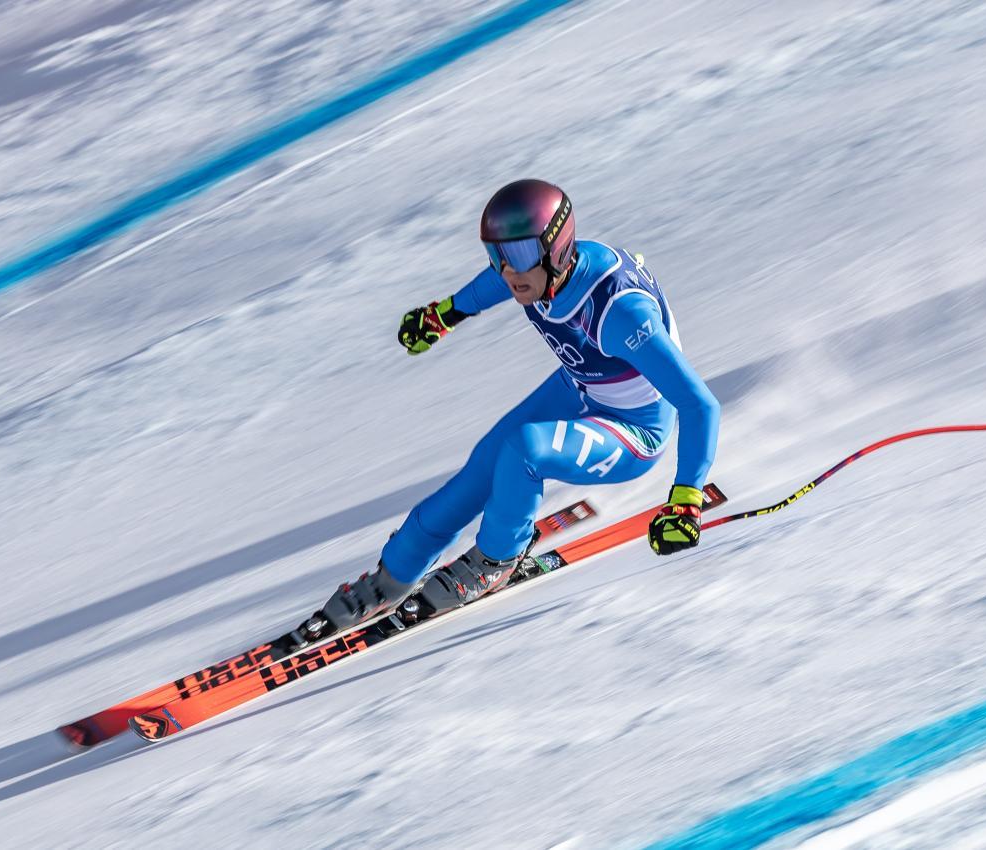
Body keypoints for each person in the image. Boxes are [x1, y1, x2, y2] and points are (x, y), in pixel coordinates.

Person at [305, 179, 720, 638]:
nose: (508, 272)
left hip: (635, 432)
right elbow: (500, 283)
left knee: (524, 451)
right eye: (496, 256)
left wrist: (686, 500)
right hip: (583, 386)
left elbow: (700, 405)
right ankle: (394, 575)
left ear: (557, 249)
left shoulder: (621, 314)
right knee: (487, 461)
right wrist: (446, 313)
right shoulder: (539, 273)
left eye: (519, 256)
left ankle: (497, 559)